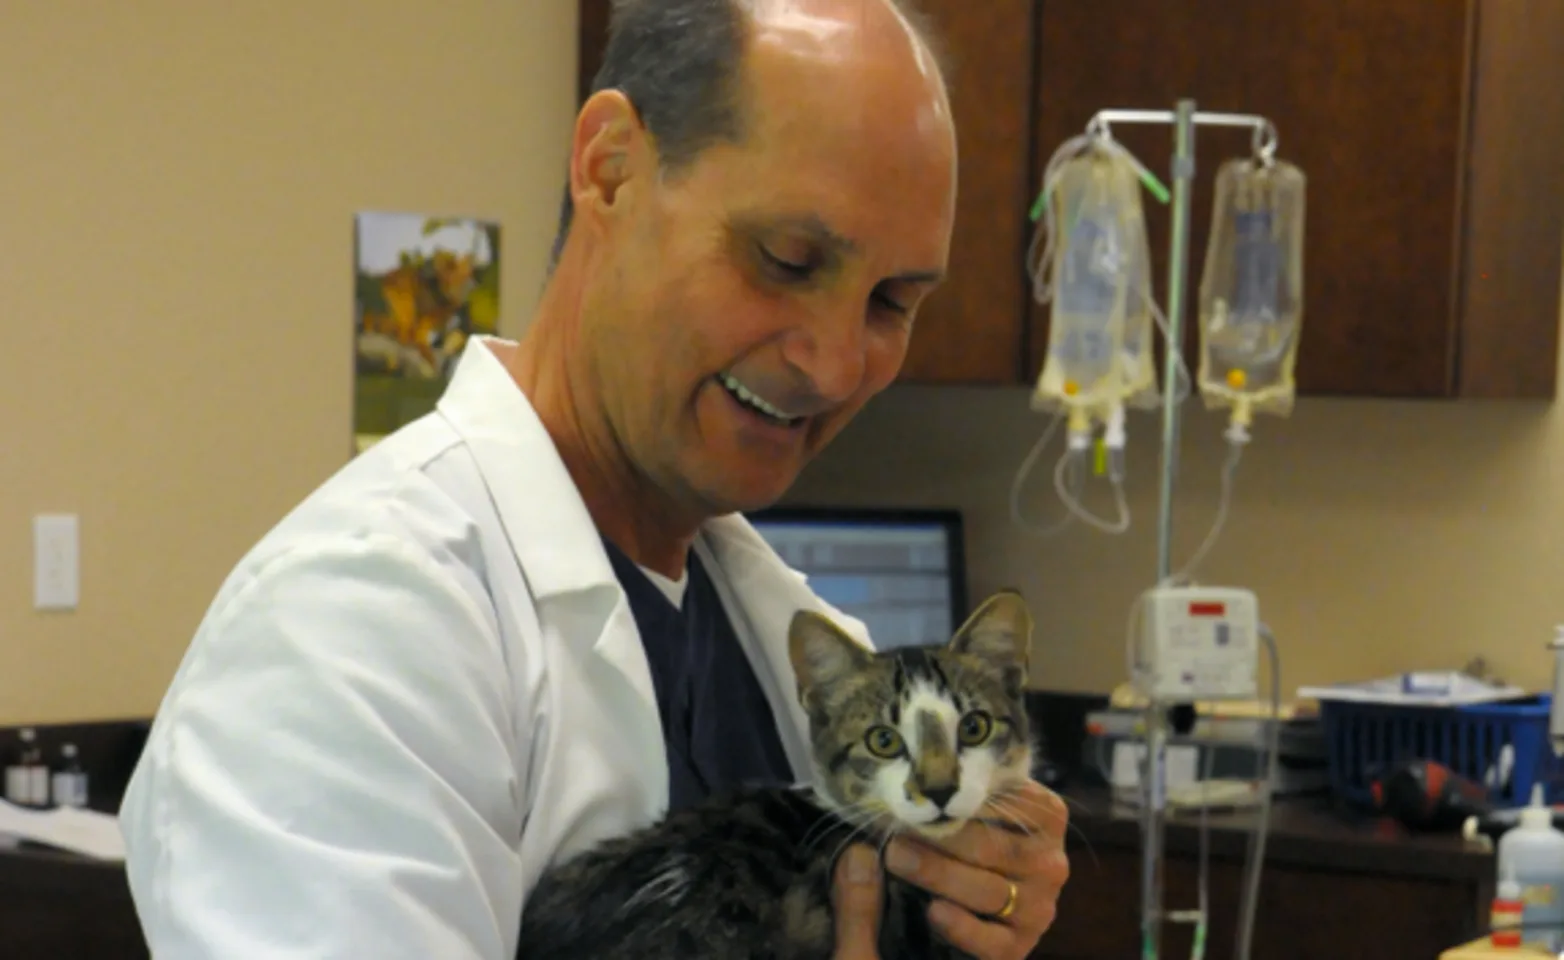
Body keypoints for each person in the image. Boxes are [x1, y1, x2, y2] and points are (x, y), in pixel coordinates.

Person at [118, 0, 1070, 956]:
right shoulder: (346, 636)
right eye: (786, 260)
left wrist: (969, 895)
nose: (835, 365)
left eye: (892, 302)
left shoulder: (785, 633)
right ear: (611, 170)